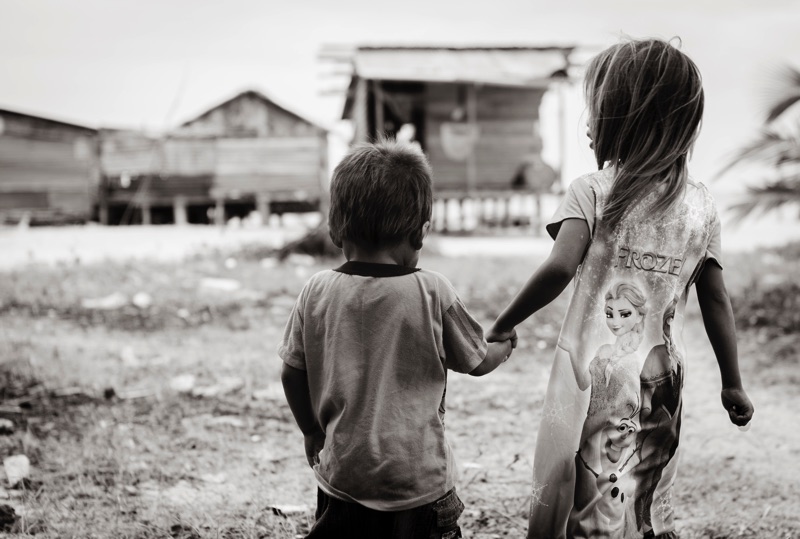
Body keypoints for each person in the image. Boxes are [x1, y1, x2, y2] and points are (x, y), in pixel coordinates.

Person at [486, 38, 754, 539]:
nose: (588, 127)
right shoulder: (701, 207)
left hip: (591, 378)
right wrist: (731, 381)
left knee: (584, 487)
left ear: (624, 118)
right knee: (644, 487)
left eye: (597, 112)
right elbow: (717, 298)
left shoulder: (592, 191)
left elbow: (559, 267)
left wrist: (502, 323)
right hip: (662, 378)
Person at [279, 139, 515, 539]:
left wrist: (311, 431)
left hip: (344, 477)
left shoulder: (315, 291)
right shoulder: (433, 292)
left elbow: (291, 373)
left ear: (335, 229)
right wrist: (504, 345)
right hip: (418, 483)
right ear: (421, 234)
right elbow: (477, 361)